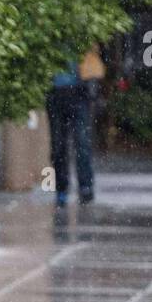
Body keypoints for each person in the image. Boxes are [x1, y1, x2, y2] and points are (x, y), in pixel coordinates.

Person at [46, 46, 101, 206]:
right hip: (56, 94)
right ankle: (62, 188)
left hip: (78, 93)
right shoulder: (49, 33)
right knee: (58, 145)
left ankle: (85, 187)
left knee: (82, 143)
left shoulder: (81, 33)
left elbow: (93, 57)